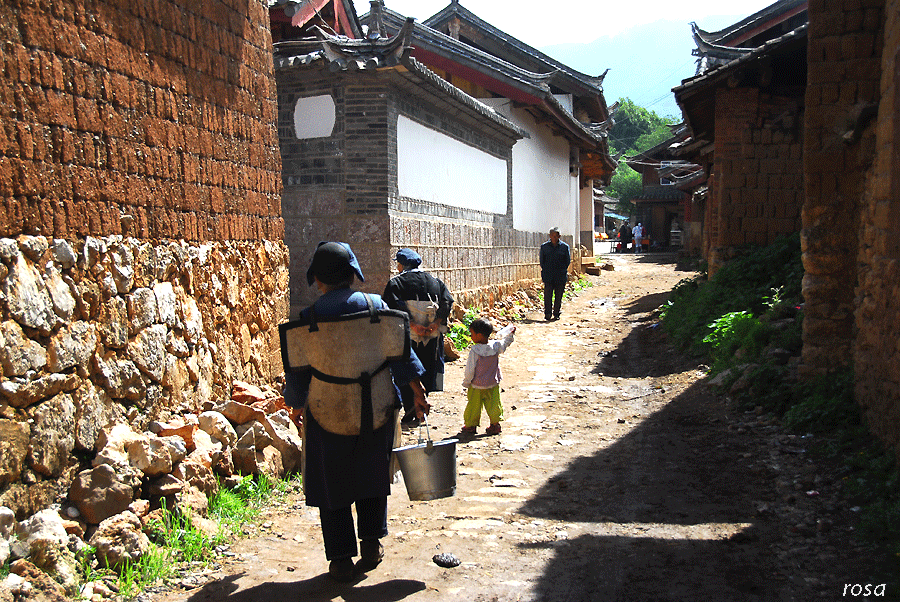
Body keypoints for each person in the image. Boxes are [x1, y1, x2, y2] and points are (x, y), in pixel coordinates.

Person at [281, 241, 430, 582]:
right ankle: (371, 543)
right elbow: (401, 354)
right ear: (353, 273)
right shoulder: (376, 307)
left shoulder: (308, 318)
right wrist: (417, 392)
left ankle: (339, 558)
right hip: (375, 408)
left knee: (330, 481)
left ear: (317, 279)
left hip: (325, 411)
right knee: (372, 475)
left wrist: (299, 404)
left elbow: (298, 373)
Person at [382, 248, 454, 428]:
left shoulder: (396, 283)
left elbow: (392, 306)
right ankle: (423, 403)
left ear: (401, 264)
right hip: (431, 335)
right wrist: (436, 323)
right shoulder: (435, 281)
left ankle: (411, 406)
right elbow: (447, 301)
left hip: (409, 335)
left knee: (408, 368)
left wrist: (413, 324)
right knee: (427, 366)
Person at [460, 318, 516, 436]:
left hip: (476, 385)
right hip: (492, 383)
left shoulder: (475, 350)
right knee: (494, 404)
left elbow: (470, 369)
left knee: (473, 406)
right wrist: (510, 335)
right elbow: (505, 343)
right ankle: (495, 424)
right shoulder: (495, 345)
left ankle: (471, 425)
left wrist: (467, 382)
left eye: (472, 334)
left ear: (479, 335)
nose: (471, 337)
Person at [539, 227, 570, 321]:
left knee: (558, 296)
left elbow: (567, 261)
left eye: (556, 236)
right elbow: (542, 261)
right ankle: (547, 313)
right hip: (548, 275)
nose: (554, 237)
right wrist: (546, 270)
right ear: (549, 236)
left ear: (559, 236)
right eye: (552, 236)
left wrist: (562, 269)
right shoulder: (544, 247)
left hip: (560, 275)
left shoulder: (564, 247)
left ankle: (556, 313)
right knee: (548, 295)